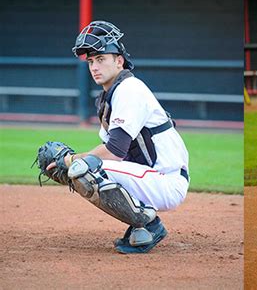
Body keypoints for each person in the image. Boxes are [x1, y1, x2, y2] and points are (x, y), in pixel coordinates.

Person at [48, 20, 190, 253]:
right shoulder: (109, 99)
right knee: (83, 168)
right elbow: (115, 155)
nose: (94, 66)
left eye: (101, 59)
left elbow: (115, 150)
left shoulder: (129, 89)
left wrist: (71, 161)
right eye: (91, 61)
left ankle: (149, 225)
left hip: (165, 180)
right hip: (150, 178)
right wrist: (72, 165)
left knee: (85, 169)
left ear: (119, 60)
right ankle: (139, 225)